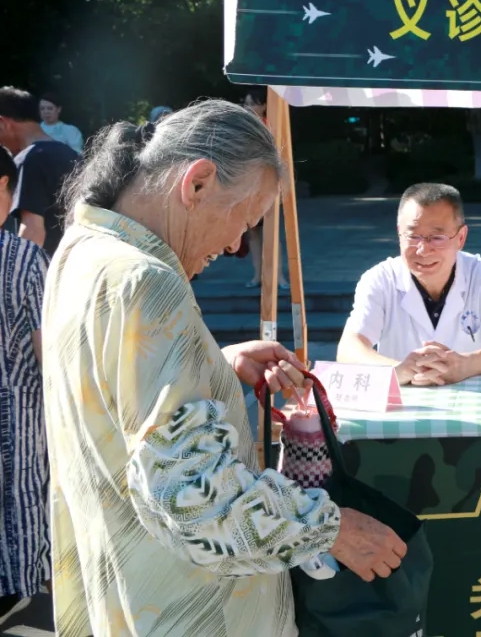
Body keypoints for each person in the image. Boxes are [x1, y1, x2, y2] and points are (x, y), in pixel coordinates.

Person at [43, 100, 407, 637]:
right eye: (245, 218)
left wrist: (212, 362)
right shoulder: (148, 283)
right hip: (189, 610)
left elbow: (116, 405)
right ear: (197, 183)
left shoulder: (82, 251)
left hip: (124, 592)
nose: (238, 243)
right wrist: (328, 529)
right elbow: (193, 497)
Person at [337, 183, 481, 386]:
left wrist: (464, 365)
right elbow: (349, 348)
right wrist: (397, 370)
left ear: (460, 238)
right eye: (412, 235)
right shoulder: (379, 279)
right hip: (402, 404)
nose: (423, 250)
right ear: (399, 233)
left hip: (474, 399)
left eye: (437, 238)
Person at [0, 147, 50, 626]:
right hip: (20, 413)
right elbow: (45, 349)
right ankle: (21, 589)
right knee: (21, 497)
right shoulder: (23, 259)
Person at [0, 87, 80, 257]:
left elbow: (33, 230)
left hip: (46, 270)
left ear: (3, 123)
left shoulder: (30, 159)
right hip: (75, 262)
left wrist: (15, 275)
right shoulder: (70, 154)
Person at [240, 88, 289, 289]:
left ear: (263, 106)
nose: (248, 108)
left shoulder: (272, 126)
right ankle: (257, 275)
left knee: (272, 231)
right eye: (246, 104)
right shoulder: (242, 128)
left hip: (268, 183)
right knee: (253, 232)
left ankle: (278, 276)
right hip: (247, 184)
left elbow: (281, 156)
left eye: (252, 103)